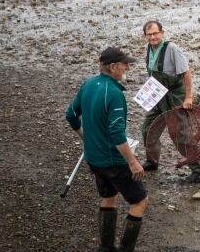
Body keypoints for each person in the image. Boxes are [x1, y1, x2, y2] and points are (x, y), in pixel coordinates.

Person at [65, 47, 148, 252]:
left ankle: (105, 248)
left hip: (93, 158)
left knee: (109, 196)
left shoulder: (88, 84)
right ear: (113, 67)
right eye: (124, 64)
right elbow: (117, 134)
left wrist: (86, 137)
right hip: (113, 162)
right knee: (140, 201)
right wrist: (133, 162)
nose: (127, 67)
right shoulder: (114, 93)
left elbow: (71, 114)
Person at [140, 20, 200, 183]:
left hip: (175, 96)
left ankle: (198, 172)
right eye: (149, 34)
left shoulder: (172, 49)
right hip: (158, 95)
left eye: (156, 33)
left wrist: (188, 97)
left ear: (162, 33)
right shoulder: (149, 48)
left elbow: (186, 74)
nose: (153, 37)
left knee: (181, 135)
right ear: (145, 36)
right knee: (147, 129)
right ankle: (152, 161)